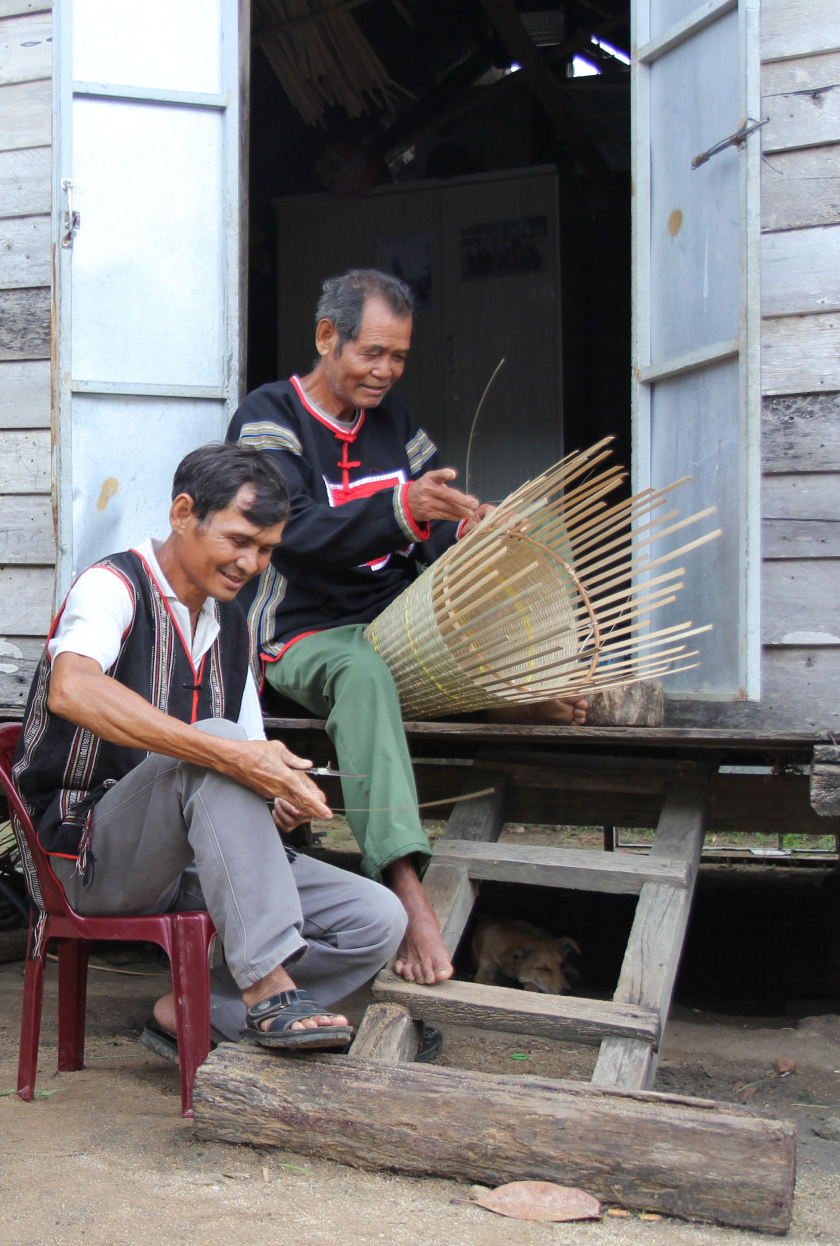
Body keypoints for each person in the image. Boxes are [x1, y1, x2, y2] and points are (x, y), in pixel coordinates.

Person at [226, 267, 584, 990]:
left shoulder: (395, 424)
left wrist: (471, 529)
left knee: (484, 575)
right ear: (328, 338)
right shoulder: (269, 416)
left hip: (390, 622)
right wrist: (406, 509)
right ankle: (406, 890)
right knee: (362, 671)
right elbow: (289, 529)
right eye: (372, 353)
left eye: (399, 357)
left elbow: (427, 524)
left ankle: (507, 690)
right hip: (300, 632)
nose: (386, 371)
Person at [12, 444, 409, 1056]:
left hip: (194, 861)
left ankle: (198, 1010)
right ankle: (268, 989)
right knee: (221, 746)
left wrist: (274, 796)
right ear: (182, 512)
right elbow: (73, 688)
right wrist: (233, 758)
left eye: (268, 549)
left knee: (376, 919)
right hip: (85, 859)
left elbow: (244, 765)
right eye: (238, 540)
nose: (250, 562)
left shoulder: (233, 628)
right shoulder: (112, 585)